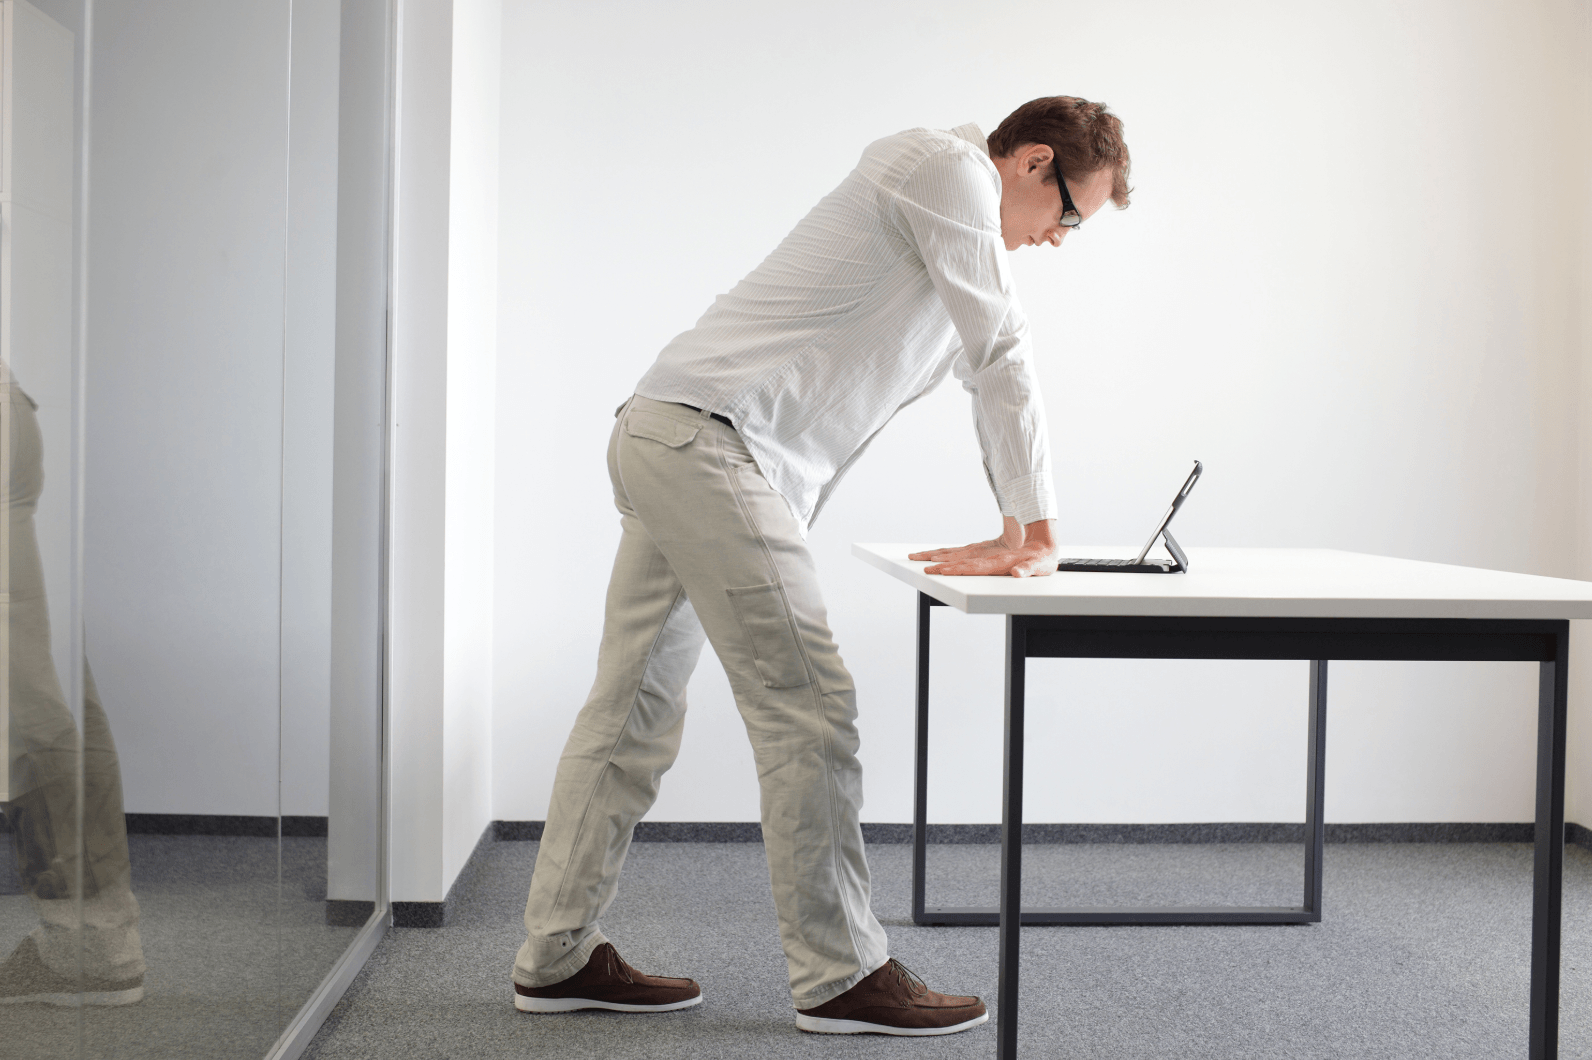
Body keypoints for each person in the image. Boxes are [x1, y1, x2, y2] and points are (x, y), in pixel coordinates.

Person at [511, 95, 1131, 1036]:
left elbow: (977, 357)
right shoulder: (944, 168)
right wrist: (1033, 530)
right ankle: (843, 974)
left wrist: (1018, 526)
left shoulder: (957, 219)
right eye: (1071, 216)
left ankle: (555, 958)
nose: (1060, 240)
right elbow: (1000, 349)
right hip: (708, 442)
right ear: (1033, 163)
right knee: (809, 705)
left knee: (632, 709)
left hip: (672, 432)